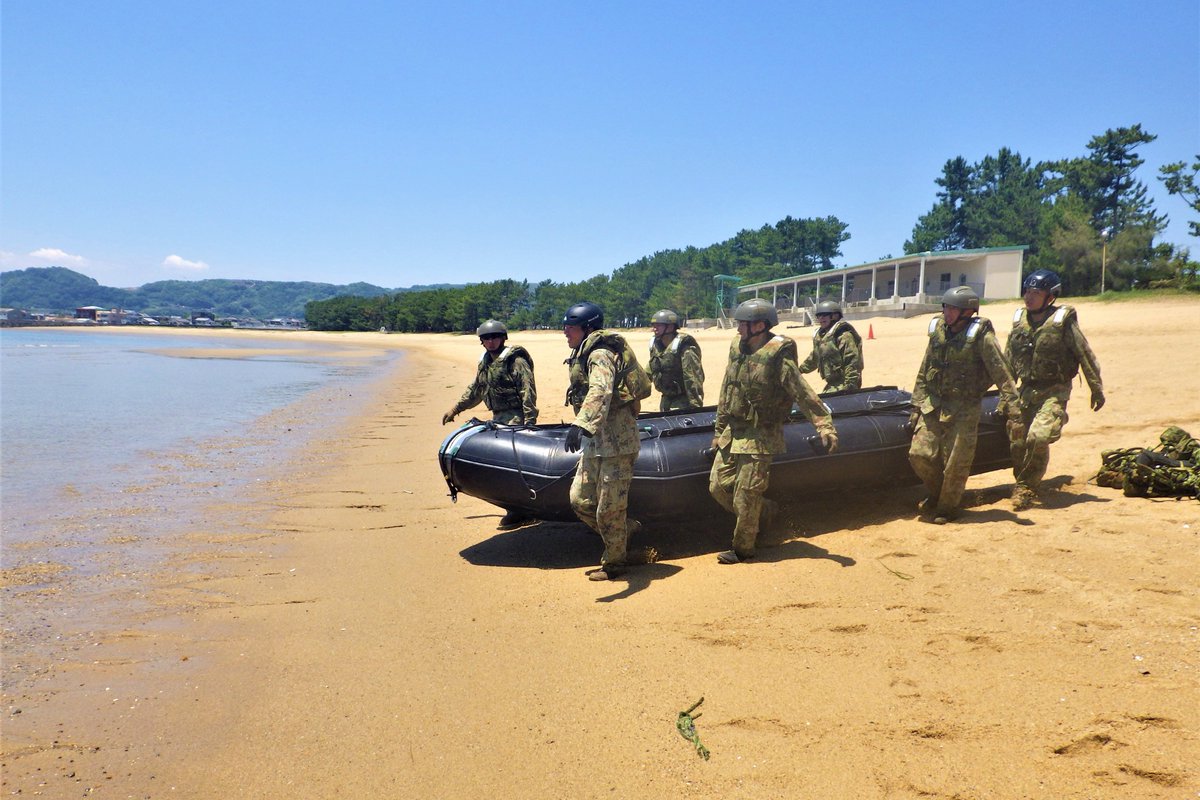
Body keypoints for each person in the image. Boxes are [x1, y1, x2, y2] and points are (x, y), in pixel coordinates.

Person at [709, 298, 839, 564]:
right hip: (733, 430)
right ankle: (765, 511)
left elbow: (801, 390)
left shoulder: (777, 354)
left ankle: (743, 549)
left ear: (759, 326)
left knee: (747, 493)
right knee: (718, 487)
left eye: (743, 324)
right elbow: (727, 388)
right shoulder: (737, 347)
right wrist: (719, 427)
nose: (738, 329)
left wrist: (824, 424)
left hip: (760, 433)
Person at [908, 286, 1021, 525]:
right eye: (946, 307)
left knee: (955, 463)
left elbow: (1002, 373)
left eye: (953, 309)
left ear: (968, 312)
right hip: (934, 403)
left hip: (964, 407)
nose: (947, 313)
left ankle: (947, 508)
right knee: (919, 454)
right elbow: (924, 367)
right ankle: (939, 495)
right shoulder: (938, 331)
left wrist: (1013, 409)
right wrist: (916, 404)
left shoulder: (981, 337)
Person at [1004, 269, 1104, 510]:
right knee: (1018, 440)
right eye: (1027, 291)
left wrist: (1096, 388)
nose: (1029, 297)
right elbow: (1008, 360)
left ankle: (1026, 487)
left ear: (1050, 296)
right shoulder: (1020, 320)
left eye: (1035, 293)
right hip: (1026, 390)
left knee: (1037, 436)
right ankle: (1024, 481)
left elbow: (1084, 354)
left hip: (1054, 390)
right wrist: (1005, 394)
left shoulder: (1062, 321)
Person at [562, 302, 648, 581]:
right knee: (580, 500)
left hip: (617, 443)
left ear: (587, 328)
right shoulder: (582, 352)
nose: (565, 332)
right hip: (596, 444)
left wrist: (581, 424)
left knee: (609, 509)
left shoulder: (599, 353)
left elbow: (601, 389)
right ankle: (625, 531)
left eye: (570, 327)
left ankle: (615, 563)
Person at [442, 319, 538, 529]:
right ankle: (516, 507)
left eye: (495, 337)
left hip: (516, 418)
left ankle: (523, 509)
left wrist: (529, 422)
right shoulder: (486, 362)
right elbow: (476, 390)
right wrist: (456, 409)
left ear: (503, 338)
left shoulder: (516, 361)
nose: (491, 341)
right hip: (498, 418)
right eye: (486, 338)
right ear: (481, 342)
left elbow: (527, 391)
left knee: (515, 466)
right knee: (505, 467)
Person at [799, 300, 864, 393]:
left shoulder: (844, 336)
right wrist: (799, 370)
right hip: (832, 384)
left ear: (835, 316)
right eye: (818, 316)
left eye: (824, 315)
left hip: (844, 384)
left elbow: (852, 362)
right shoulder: (822, 337)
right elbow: (814, 358)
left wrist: (850, 386)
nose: (820, 319)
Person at [648, 309, 705, 411]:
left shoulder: (685, 347)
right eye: (654, 325)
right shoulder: (656, 345)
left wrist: (695, 408)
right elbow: (650, 368)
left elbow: (692, 378)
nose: (654, 329)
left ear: (670, 327)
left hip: (683, 402)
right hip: (665, 400)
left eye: (659, 325)